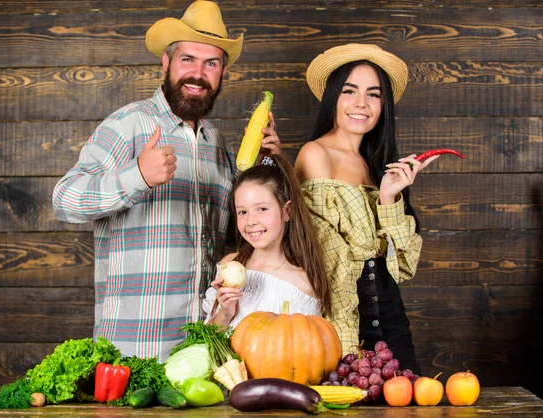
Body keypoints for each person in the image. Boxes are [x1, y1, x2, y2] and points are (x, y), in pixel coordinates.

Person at [52, 0, 280, 362]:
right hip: (135, 350)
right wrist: (137, 176)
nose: (197, 73)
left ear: (222, 74)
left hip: (203, 349)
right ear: (166, 63)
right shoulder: (128, 125)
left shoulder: (217, 144)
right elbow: (64, 200)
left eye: (211, 63)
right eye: (187, 59)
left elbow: (244, 233)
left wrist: (268, 161)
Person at [295, 44, 439, 374]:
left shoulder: (376, 166)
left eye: (373, 95)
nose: (361, 104)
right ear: (333, 97)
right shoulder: (315, 154)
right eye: (350, 91)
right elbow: (333, 250)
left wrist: (389, 197)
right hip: (342, 313)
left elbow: (402, 266)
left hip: (391, 316)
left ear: (383, 105)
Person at [203, 154, 332, 330]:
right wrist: (225, 313)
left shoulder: (304, 284)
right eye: (242, 212)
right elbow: (205, 343)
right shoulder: (229, 265)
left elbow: (303, 350)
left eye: (262, 209)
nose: (250, 221)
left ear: (286, 211)